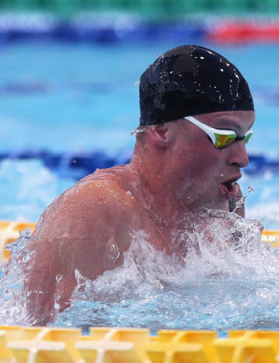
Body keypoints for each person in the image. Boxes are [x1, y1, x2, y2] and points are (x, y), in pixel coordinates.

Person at [22, 44, 257, 325]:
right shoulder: (98, 210)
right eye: (224, 136)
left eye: (245, 138)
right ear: (161, 131)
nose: (242, 158)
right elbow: (49, 340)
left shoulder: (225, 204)